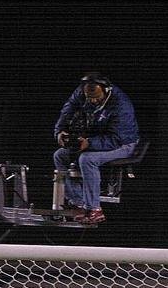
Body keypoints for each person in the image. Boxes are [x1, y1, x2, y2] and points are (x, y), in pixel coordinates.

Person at [52, 73, 140, 226]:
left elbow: (117, 139)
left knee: (87, 159)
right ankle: (78, 202)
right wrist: (60, 131)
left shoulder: (121, 106)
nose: (92, 101)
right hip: (95, 139)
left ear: (106, 91)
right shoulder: (82, 93)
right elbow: (67, 111)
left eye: (96, 98)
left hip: (123, 144)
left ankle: (94, 209)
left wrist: (89, 143)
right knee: (60, 155)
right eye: (89, 97)